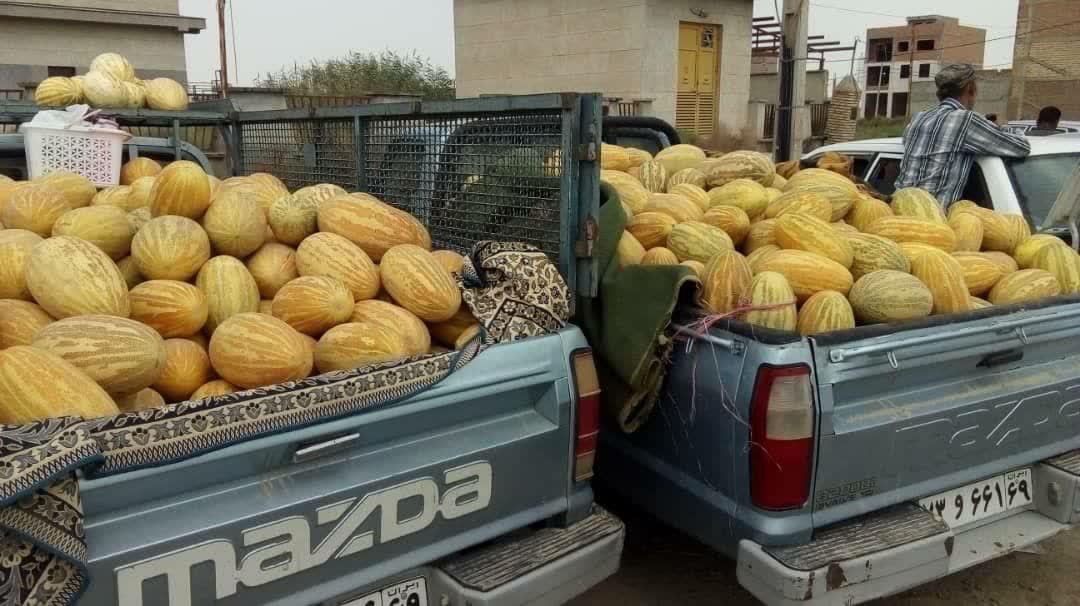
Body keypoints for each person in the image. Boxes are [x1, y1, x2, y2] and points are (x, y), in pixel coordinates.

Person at [895, 63, 1030, 206]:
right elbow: (1022, 147)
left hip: (897, 208)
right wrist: (1003, 127)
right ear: (970, 89)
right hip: (930, 215)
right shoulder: (966, 120)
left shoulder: (919, 118)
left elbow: (910, 143)